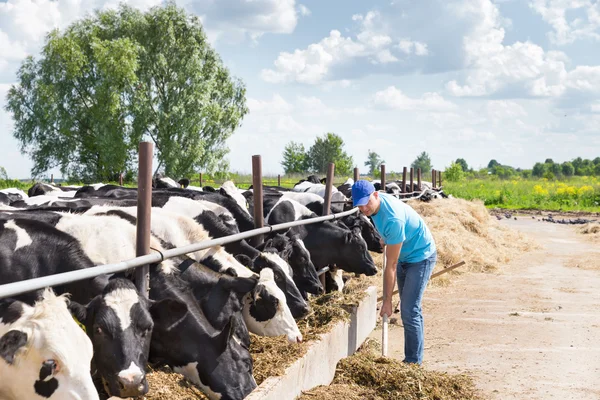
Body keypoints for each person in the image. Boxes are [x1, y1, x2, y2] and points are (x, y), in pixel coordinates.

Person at [351, 180, 437, 364]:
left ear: (375, 194)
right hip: (405, 253)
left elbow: (390, 265)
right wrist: (385, 238)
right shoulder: (374, 207)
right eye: (359, 205)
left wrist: (387, 301)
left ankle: (413, 363)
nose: (364, 208)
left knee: (409, 310)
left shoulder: (393, 220)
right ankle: (414, 358)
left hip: (420, 256)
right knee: (410, 308)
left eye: (366, 203)